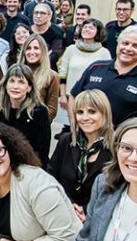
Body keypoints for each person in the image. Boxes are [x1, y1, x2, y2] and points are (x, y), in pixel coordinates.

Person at [71, 25, 137, 126]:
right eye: (125, 43)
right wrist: (74, 125)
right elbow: (74, 96)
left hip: (123, 140)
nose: (128, 48)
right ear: (118, 44)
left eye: (136, 46)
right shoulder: (95, 67)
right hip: (86, 136)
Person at [48, 89, 113, 223]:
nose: (85, 118)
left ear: (105, 114)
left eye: (92, 112)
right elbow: (51, 175)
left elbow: (113, 192)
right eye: (80, 112)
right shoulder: (66, 140)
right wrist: (69, 204)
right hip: (62, 212)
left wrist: (86, 211)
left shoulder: (116, 149)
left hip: (97, 219)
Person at [0, 64, 51, 166]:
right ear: (5, 85)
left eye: (21, 82)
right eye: (12, 81)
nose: (15, 86)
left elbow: (42, 151)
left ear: (29, 88)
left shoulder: (39, 111)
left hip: (29, 167)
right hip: (0, 165)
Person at [58, 18, 111, 120]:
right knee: (72, 127)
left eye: (91, 27)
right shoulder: (71, 49)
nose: (86, 29)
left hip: (92, 99)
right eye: (85, 27)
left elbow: (106, 78)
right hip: (71, 97)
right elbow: (62, 73)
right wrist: (63, 95)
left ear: (98, 32)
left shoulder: (104, 53)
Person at [20, 34, 59, 122]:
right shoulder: (15, 72)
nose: (32, 52)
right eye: (28, 48)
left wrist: (34, 124)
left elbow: (51, 110)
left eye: (36, 48)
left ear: (43, 51)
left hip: (37, 126)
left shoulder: (52, 76)